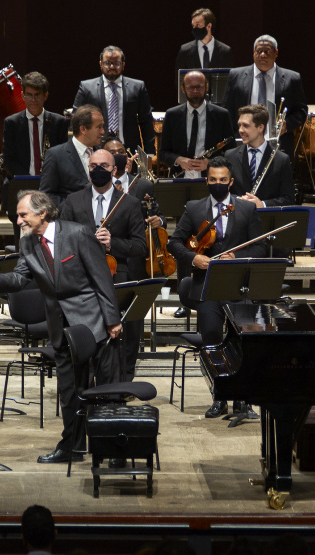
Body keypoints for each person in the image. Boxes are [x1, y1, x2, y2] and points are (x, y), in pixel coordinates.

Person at [0, 191, 121, 463]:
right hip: (60, 327)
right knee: (69, 391)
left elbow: (102, 278)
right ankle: (71, 447)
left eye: (23, 215)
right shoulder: (27, 243)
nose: (18, 221)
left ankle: (114, 449)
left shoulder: (78, 234)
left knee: (107, 390)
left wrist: (112, 319)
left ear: (42, 212)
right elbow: (20, 278)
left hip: (93, 322)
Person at [166, 157, 266, 419]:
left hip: (238, 286)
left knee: (242, 341)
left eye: (223, 180)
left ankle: (242, 400)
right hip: (206, 286)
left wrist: (238, 257)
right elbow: (174, 243)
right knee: (211, 339)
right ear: (206, 181)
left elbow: (260, 246)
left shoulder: (246, 209)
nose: (218, 184)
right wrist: (194, 258)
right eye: (213, 180)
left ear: (231, 182)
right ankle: (219, 397)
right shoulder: (194, 208)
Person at [59, 149, 145, 387]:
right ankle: (83, 387)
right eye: (93, 166)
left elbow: (140, 245)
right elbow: (62, 240)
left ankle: (117, 387)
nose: (98, 170)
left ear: (114, 170)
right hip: (82, 279)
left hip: (116, 277)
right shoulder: (73, 201)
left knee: (118, 337)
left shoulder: (129, 203)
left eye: (104, 166)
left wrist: (112, 243)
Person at [102, 138, 166, 376]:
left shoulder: (143, 185)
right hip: (108, 262)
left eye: (121, 151)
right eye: (112, 152)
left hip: (135, 262)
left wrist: (159, 220)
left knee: (132, 323)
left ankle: (127, 374)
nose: (118, 155)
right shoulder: (99, 186)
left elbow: (157, 213)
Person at [221, 35, 307, 155]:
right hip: (243, 144)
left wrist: (286, 125)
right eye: (259, 51)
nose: (262, 55)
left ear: (276, 53)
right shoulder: (236, 76)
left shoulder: (292, 78)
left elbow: (301, 111)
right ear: (253, 52)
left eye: (267, 51)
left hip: (279, 145)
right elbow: (226, 111)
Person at [73, 46, 155, 154]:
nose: (112, 66)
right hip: (96, 150)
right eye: (107, 63)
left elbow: (146, 122)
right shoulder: (87, 88)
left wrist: (149, 153)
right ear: (101, 64)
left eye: (116, 63)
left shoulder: (137, 87)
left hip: (129, 151)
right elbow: (76, 120)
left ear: (123, 65)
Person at [160, 71, 235, 178]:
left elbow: (232, 153)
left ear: (207, 87)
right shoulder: (172, 115)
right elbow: (163, 153)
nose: (195, 91)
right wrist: (178, 160)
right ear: (183, 89)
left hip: (212, 178)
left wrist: (211, 163)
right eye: (190, 87)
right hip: (180, 178)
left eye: (199, 87)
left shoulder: (222, 115)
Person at [225, 104, 296, 207]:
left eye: (245, 126)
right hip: (239, 215)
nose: (240, 130)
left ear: (260, 128)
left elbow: (288, 198)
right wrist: (239, 200)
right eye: (239, 125)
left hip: (266, 216)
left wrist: (262, 204)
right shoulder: (230, 156)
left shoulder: (281, 159)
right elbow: (223, 192)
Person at [2, 72, 69, 178]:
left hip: (50, 180)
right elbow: (9, 159)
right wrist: (28, 180)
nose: (33, 100)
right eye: (29, 95)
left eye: (37, 95)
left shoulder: (59, 123)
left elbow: (63, 158)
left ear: (45, 95)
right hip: (21, 180)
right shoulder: (11, 123)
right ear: (22, 96)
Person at [39, 105, 106, 206]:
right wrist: (72, 209)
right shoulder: (56, 155)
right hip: (70, 215)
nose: (103, 131)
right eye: (99, 127)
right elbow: (46, 195)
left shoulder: (103, 154)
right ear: (83, 129)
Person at [174, 8, 234, 91]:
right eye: (193, 26)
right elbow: (179, 81)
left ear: (209, 26)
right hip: (193, 97)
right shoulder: (185, 50)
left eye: (197, 25)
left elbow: (230, 81)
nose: (194, 29)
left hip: (217, 98)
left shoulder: (225, 51)